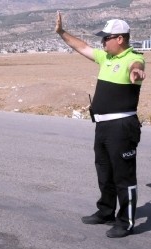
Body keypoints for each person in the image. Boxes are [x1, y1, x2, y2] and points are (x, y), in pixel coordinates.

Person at [55, 12, 146, 238]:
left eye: (106, 38)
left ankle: (126, 222)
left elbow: (137, 64)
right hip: (103, 127)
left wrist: (136, 70)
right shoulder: (106, 58)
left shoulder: (132, 58)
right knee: (104, 172)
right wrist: (61, 32)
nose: (102, 41)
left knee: (123, 176)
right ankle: (106, 211)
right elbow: (82, 47)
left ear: (120, 39)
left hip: (122, 127)